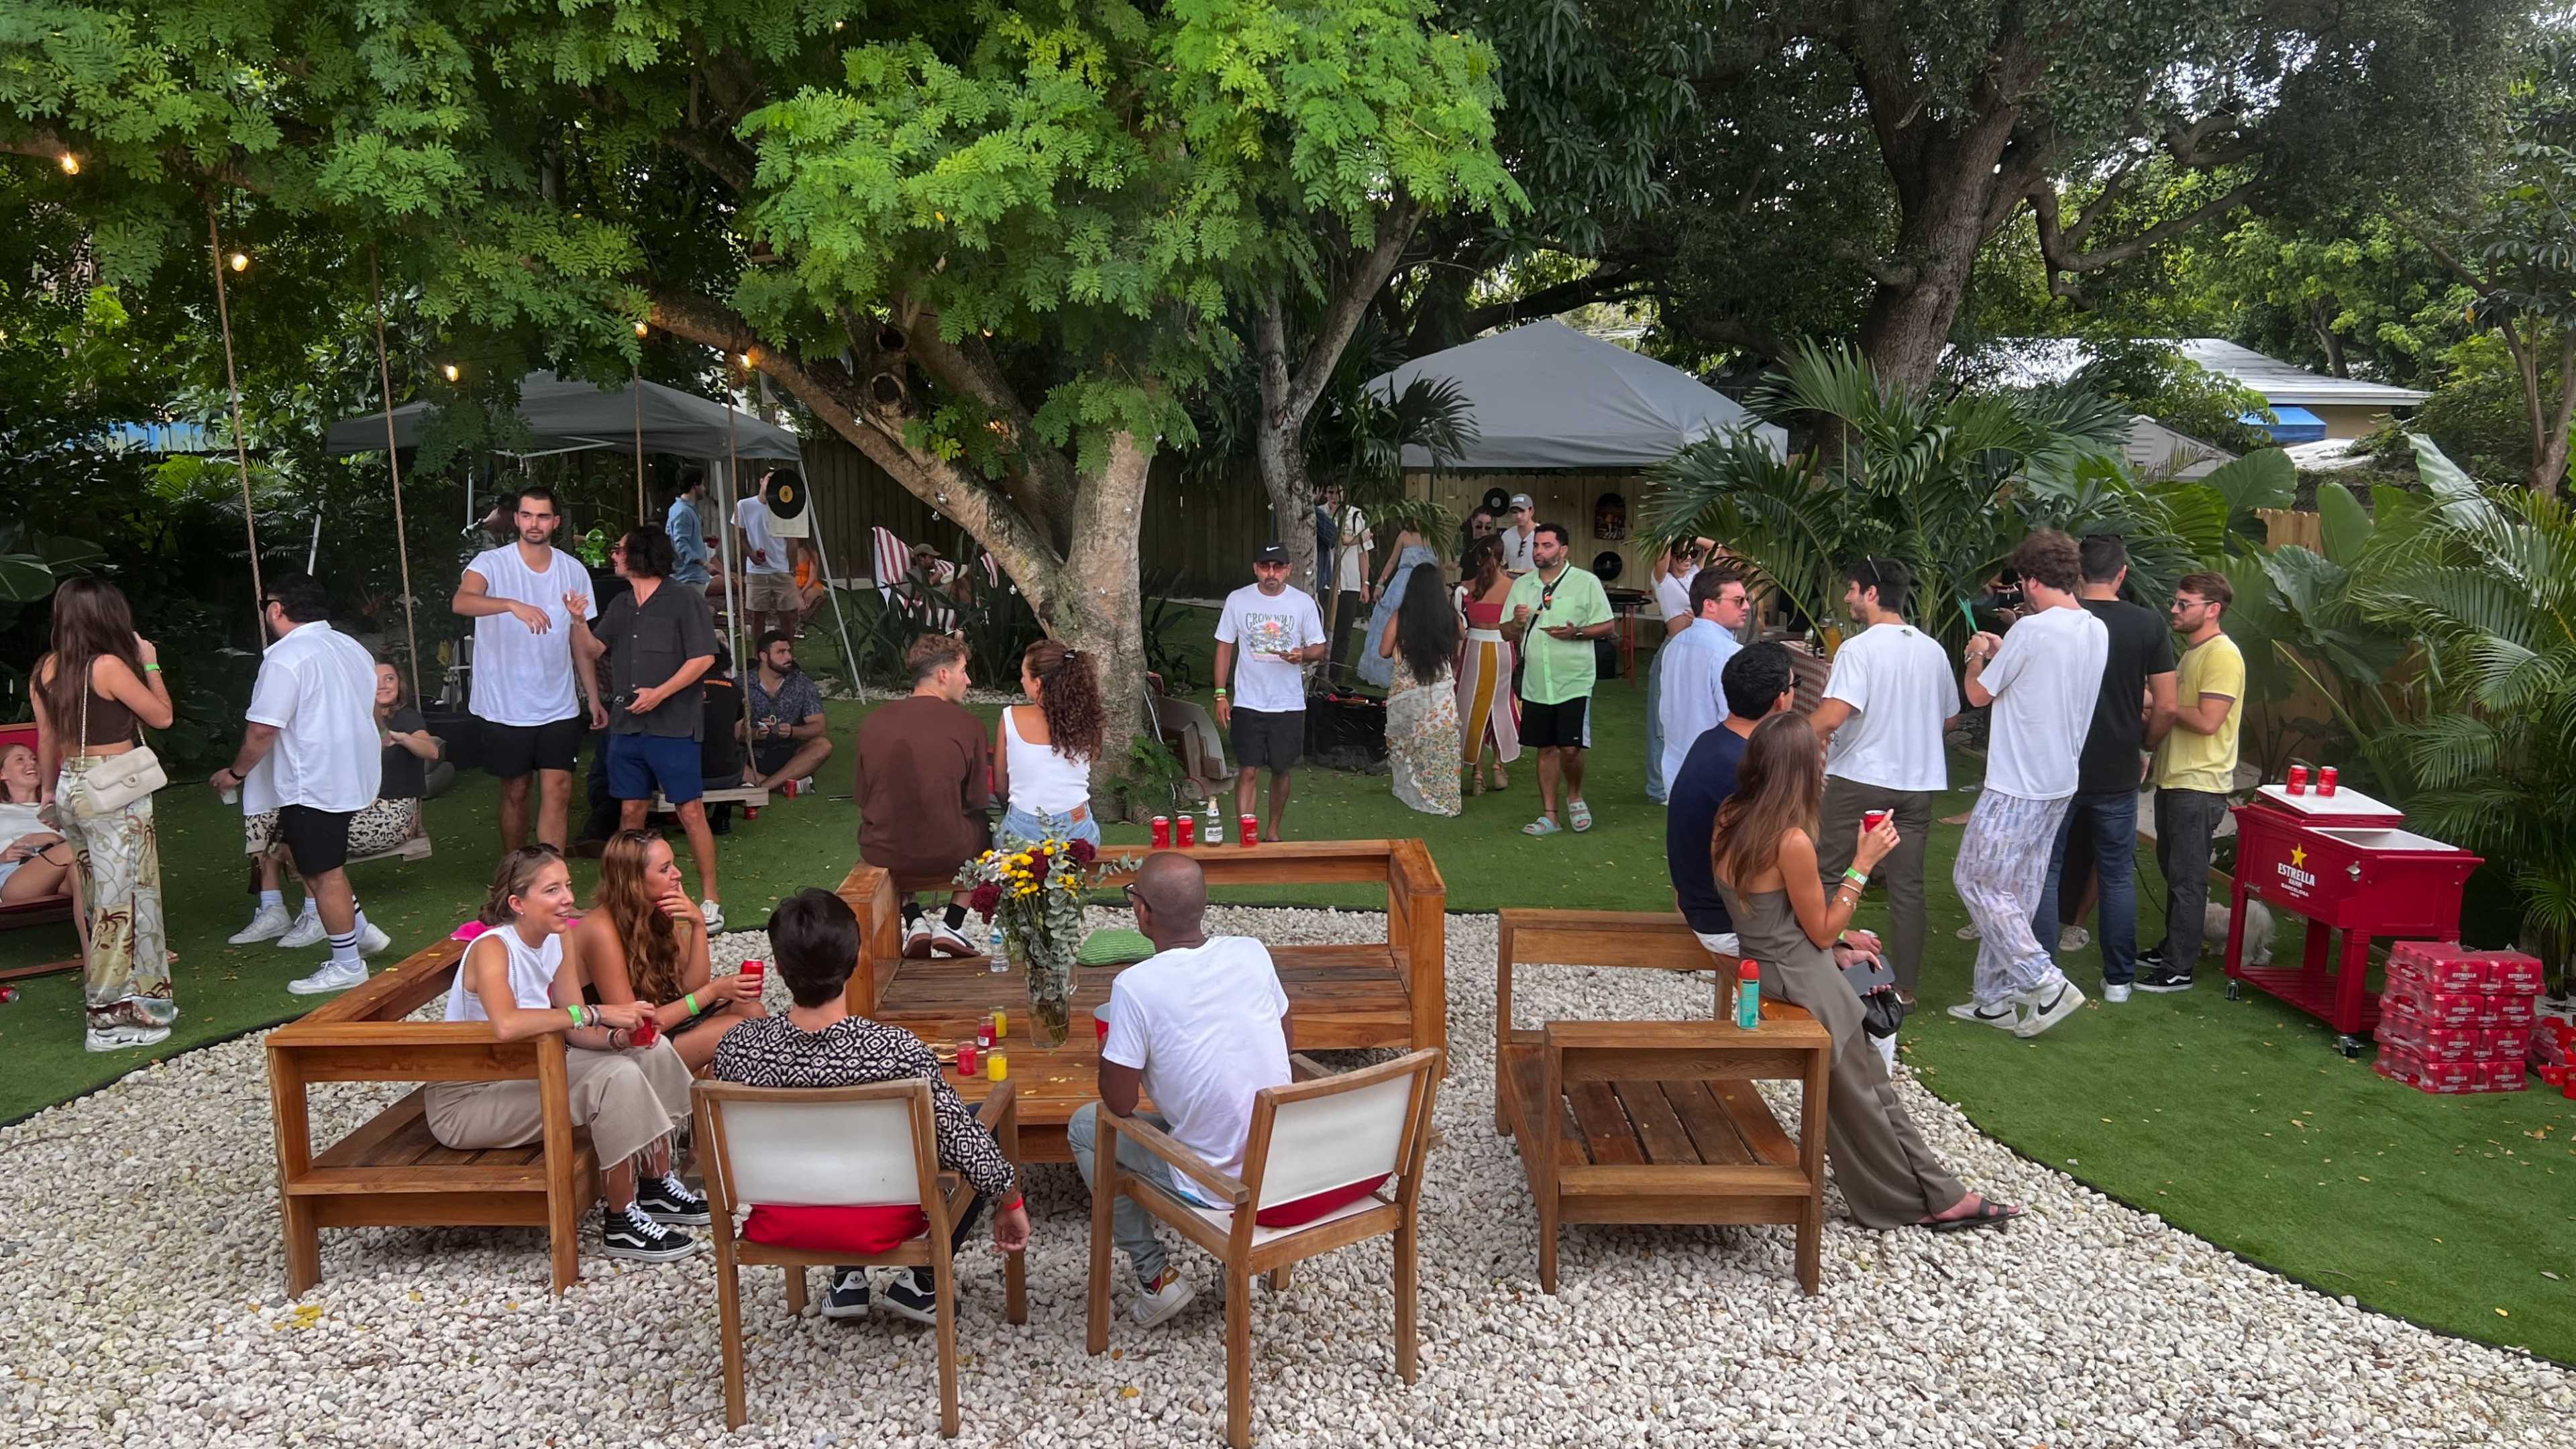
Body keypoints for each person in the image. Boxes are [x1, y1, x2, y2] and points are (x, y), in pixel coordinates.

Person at [1710, 714, 2021, 1232]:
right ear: (1801, 770)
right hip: (1803, 978)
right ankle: (1909, 1202)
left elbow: (1772, 917)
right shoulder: (1790, 840)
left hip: (1771, 965)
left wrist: (1840, 945)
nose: (1826, 763)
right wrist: (1863, 862)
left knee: (1870, 1088)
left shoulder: (1731, 814)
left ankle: (1942, 1192)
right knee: (1865, 1096)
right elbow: (1826, 930)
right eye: (1820, 756)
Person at [713, 889, 1032, 1322]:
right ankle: (920, 1281)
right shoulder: (894, 1050)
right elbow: (966, 1145)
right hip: (877, 1219)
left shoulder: (739, 1048)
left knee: (827, 1138)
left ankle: (848, 1281)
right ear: (859, 958)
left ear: (780, 966)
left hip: (784, 1214)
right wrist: (1010, 1200)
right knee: (975, 1126)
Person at [425, 845, 703, 1261]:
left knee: (651, 1050)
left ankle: (657, 1182)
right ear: (518, 903)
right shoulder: (493, 948)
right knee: (615, 1078)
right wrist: (597, 1013)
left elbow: (575, 1028)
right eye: (552, 890)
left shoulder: (557, 940)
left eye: (568, 886)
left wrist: (616, 1039)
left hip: (533, 1070)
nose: (568, 898)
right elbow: (507, 1024)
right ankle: (623, 1220)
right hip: (470, 1100)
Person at [1069, 853, 1292, 1326]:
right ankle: (1242, 1266)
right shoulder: (1251, 951)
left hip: (1219, 1184)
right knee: (1201, 1102)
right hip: (1282, 1162)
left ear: (1142, 913)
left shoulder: (1135, 986)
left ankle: (1155, 1277)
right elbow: (1285, 1041)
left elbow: (1121, 1103)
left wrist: (1123, 1051)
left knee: (1087, 1127)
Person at [1948, 529, 2108, 1037]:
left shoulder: (2032, 632)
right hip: (2059, 780)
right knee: (2015, 890)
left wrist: (1977, 651)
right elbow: (2034, 673)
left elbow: (1977, 695)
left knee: (1975, 880)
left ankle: (2045, 980)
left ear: (2034, 581)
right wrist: (2003, 646)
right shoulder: (2093, 628)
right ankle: (1993, 999)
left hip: (2017, 782)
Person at [207, 573, 388, 998]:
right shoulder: (352, 647)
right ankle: (362, 933)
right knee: (316, 861)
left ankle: (347, 964)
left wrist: (235, 774)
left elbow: (262, 731)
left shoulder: (285, 657)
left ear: (276, 610)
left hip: (315, 779)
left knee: (323, 873)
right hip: (354, 771)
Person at [2030, 536, 2178, 1004]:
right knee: (2116, 874)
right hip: (2117, 768)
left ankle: (2042, 975)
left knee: (2047, 869)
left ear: (2075, 574)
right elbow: (2168, 705)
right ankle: (2118, 980)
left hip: (2058, 767)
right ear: (2122, 574)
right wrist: (2146, 745)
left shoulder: (2053, 623)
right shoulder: (2148, 623)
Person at [33, 579, 176, 1051]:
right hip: (115, 787)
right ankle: (107, 1020)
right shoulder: (110, 666)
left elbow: (48, 738)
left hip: (74, 785)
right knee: (123, 905)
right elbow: (161, 717)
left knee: (106, 899)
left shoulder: (46, 669)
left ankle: (149, 1001)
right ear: (108, 617)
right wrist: (151, 661)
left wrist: (50, 793)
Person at [1809, 559, 1959, 1002]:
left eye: (1852, 590)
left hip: (1859, 778)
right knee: (1907, 886)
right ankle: (1905, 990)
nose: (1849, 599)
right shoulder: (1932, 649)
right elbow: (1949, 720)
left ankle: (1822, 968)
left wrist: (1786, 735)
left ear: (1871, 593)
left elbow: (1835, 714)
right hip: (1917, 784)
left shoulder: (1860, 648)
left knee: (1828, 872)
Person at [232, 660, 435, 952]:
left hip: (389, 816)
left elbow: (431, 751)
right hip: (357, 810)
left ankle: (318, 914)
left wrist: (400, 739)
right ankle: (274, 908)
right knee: (275, 819)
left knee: (303, 832)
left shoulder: (407, 718)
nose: (383, 684)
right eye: (375, 679)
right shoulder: (353, 723)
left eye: (390, 678)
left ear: (400, 684)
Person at [451, 484, 607, 854]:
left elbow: (580, 644)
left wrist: (594, 698)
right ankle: (515, 873)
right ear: (516, 519)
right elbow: (462, 601)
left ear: (555, 521)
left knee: (559, 790)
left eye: (542, 516)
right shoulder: (491, 563)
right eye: (526, 515)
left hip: (558, 703)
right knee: (516, 791)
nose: (533, 523)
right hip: (504, 704)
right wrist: (511, 604)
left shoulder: (573, 570)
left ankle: (552, 878)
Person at [593, 526, 727, 929]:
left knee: (690, 810)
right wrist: (572, 619)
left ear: (640, 555)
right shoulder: (619, 604)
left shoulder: (684, 598)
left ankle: (710, 899)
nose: (614, 555)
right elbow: (592, 648)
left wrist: (661, 693)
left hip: (673, 726)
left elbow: (703, 658)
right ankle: (626, 899)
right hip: (626, 726)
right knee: (630, 811)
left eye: (619, 549)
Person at [574, 830, 766, 1073]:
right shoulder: (600, 929)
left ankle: (708, 1103)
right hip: (623, 1046)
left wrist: (698, 925)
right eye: (665, 869)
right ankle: (703, 1104)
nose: (678, 874)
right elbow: (635, 1025)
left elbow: (690, 987)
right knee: (740, 1032)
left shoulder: (658, 910)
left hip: (662, 1024)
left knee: (752, 1010)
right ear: (634, 881)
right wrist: (714, 991)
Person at [2138, 571, 2245, 994]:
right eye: (2176, 601)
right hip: (2177, 779)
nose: (2175, 610)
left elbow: (2207, 721)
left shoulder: (2223, 655)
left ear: (2213, 609)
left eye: (2185, 604)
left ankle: (2179, 966)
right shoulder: (2192, 654)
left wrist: (2160, 704)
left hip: (2200, 785)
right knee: (2174, 869)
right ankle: (2174, 947)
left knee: (2187, 877)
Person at [854, 634, 989, 958]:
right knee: (987, 829)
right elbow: (976, 801)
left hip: (883, 848)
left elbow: (862, 796)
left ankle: (914, 918)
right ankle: (953, 923)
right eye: (963, 671)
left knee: (890, 821)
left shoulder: (872, 723)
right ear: (944, 675)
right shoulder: (969, 725)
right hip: (949, 848)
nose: (968, 681)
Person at [1666, 643, 1796, 957]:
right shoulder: (1749, 767)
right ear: (1781, 700)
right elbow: (1776, 863)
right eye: (1796, 687)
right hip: (1730, 923)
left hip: (1702, 905)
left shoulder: (1712, 740)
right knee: (1853, 959)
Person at [1500, 523, 1613, 836]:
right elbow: (1505, 632)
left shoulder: (1586, 582)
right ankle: (1550, 815)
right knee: (1546, 748)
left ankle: (1574, 795)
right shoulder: (1522, 586)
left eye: (1547, 546)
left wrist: (1575, 633)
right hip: (1537, 681)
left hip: (1574, 679)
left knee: (1571, 749)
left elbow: (1607, 626)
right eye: (1537, 545)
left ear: (1563, 550)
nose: (1539, 551)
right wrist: (1516, 622)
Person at [1213, 542, 1327, 842]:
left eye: (1278, 567)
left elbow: (1319, 648)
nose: (1271, 573)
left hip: (1288, 703)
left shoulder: (1302, 604)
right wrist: (1220, 694)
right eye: (1265, 567)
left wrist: (1301, 654)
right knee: (1248, 770)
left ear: (1289, 570)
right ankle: (1246, 835)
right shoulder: (1238, 600)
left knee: (1281, 769)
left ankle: (1273, 830)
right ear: (1255, 569)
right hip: (1249, 702)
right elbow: (1224, 647)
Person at [996, 639, 1107, 847]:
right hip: (1078, 826)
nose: (1021, 681)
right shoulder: (1086, 720)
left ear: (1037, 684)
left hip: (1023, 824)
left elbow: (1001, 787)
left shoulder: (1010, 717)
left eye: (1024, 676)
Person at [1378, 559, 1462, 816]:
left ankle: (1410, 789)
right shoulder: (1452, 618)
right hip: (1439, 691)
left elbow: (1383, 651)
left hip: (1407, 693)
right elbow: (1457, 651)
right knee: (1439, 742)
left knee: (1406, 742)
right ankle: (1444, 795)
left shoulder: (1401, 617)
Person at [1654, 566, 1749, 792]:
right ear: (1710, 605)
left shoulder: (1675, 643)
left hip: (1676, 770)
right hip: (1717, 773)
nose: (1746, 606)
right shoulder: (1729, 653)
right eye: (1738, 600)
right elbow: (1736, 722)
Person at [1643, 537, 1715, 804]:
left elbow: (1711, 545)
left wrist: (1690, 535)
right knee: (1660, 719)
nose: (1687, 559)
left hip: (1695, 648)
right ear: (1670, 556)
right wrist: (1674, 530)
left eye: (1690, 554)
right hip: (1673, 647)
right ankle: (1657, 788)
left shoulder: (1695, 574)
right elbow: (1661, 549)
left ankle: (1682, 781)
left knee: (1688, 716)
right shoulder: (1662, 579)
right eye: (1680, 555)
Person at [1453, 535, 1520, 798]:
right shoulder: (1513, 587)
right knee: (1501, 705)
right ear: (1502, 557)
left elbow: (1458, 630)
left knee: (1471, 707)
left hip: (1474, 650)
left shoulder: (1465, 588)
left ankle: (1477, 772)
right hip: (1503, 649)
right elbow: (1518, 627)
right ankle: (1498, 765)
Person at [0, 744, 81, 938]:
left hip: (64, 874)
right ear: (2, 774)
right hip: (17, 879)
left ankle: (97, 956)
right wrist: (1, 857)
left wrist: (53, 838)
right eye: (20, 759)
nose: (32, 763)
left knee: (81, 873)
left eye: (34, 759)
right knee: (89, 849)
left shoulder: (59, 810)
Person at [743, 630, 833, 792]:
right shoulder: (742, 684)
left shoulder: (802, 684)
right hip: (750, 754)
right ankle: (783, 786)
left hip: (788, 755)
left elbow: (819, 727)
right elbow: (729, 731)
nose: (789, 657)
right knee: (716, 750)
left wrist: (792, 731)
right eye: (781, 652)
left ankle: (764, 787)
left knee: (823, 745)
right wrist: (755, 733)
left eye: (789, 651)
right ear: (764, 657)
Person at [1356, 522, 1438, 690]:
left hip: (1425, 586)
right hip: (1402, 584)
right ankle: (1385, 673)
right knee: (1392, 623)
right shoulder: (1404, 535)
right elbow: (1393, 561)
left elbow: (1439, 565)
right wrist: (1379, 584)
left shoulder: (1434, 537)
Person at [735, 468, 801, 642]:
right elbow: (738, 536)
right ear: (761, 481)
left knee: (787, 619)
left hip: (782, 570)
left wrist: (792, 568)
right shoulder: (744, 505)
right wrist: (750, 554)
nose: (772, 483)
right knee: (758, 619)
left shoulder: (787, 507)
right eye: (769, 479)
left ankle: (789, 660)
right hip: (757, 572)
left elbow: (792, 541)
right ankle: (758, 661)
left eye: (776, 481)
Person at [1322, 484, 1373, 681]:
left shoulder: (1356, 514)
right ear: (1326, 493)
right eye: (1331, 491)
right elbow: (1337, 539)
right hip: (1326, 584)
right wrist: (1360, 538)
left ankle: (1335, 679)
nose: (1334, 496)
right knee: (1321, 632)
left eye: (1338, 492)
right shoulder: (1319, 513)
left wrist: (1365, 583)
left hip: (1350, 583)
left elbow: (1364, 552)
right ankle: (1319, 677)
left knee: (1343, 635)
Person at [665, 468, 712, 590]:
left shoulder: (682, 509)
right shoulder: (683, 512)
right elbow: (680, 544)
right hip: (688, 578)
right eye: (702, 484)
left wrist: (702, 539)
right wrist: (704, 563)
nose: (704, 488)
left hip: (691, 577)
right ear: (695, 486)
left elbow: (679, 538)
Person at [1498, 492, 1538, 574]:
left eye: (1522, 511)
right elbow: (1503, 563)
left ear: (1532, 511)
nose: (1519, 516)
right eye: (1514, 512)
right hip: (1513, 583)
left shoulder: (1543, 534)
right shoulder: (1507, 536)